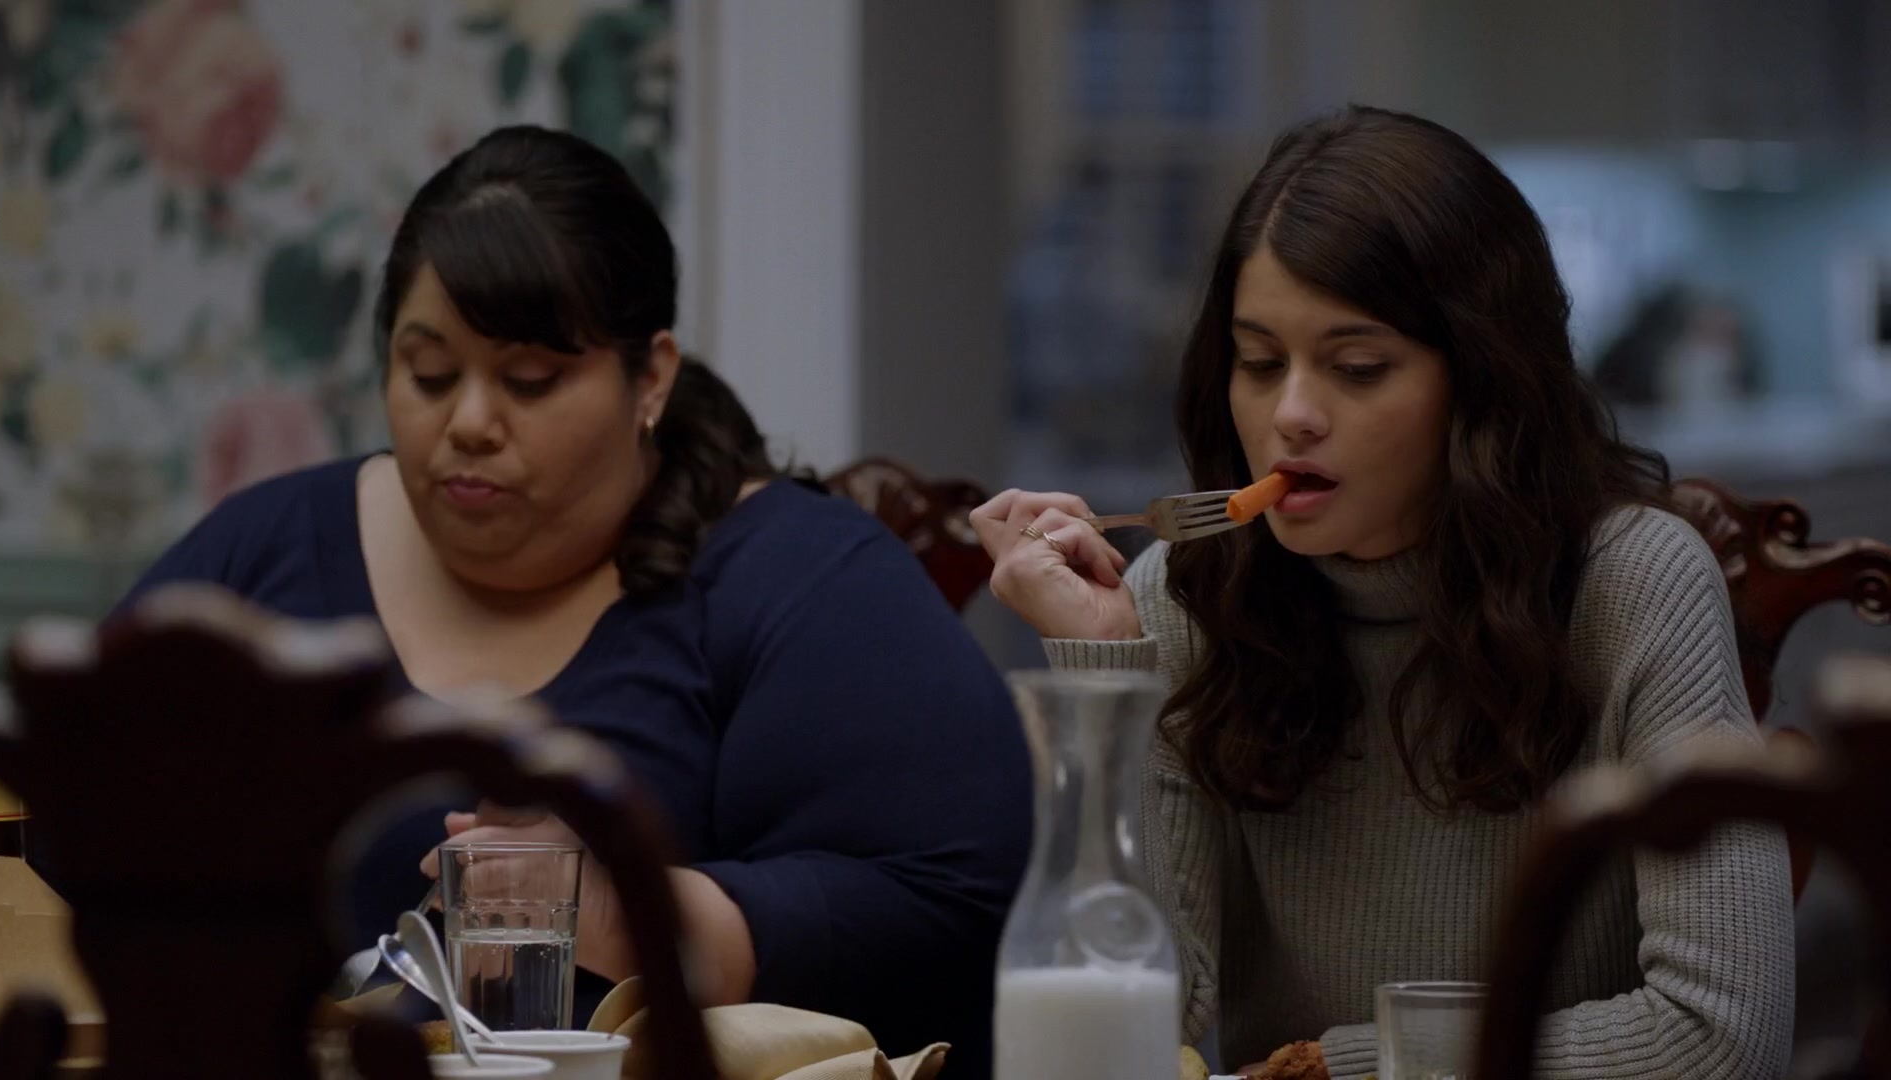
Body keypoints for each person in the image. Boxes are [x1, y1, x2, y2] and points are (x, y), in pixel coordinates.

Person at [115, 125, 1030, 1076]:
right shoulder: (263, 551)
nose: (469, 422)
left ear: (651, 377)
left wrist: (649, 916)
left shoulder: (804, 579)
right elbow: (60, 828)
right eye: (429, 374)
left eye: (530, 380)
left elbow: (962, 902)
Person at [973, 106, 1793, 1079]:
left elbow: (1720, 1037)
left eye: (1357, 369)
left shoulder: (1635, 585)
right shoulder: (1187, 595)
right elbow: (1141, 1026)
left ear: (1480, 382)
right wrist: (1106, 675)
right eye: (1259, 363)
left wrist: (1344, 1069)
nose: (1292, 415)